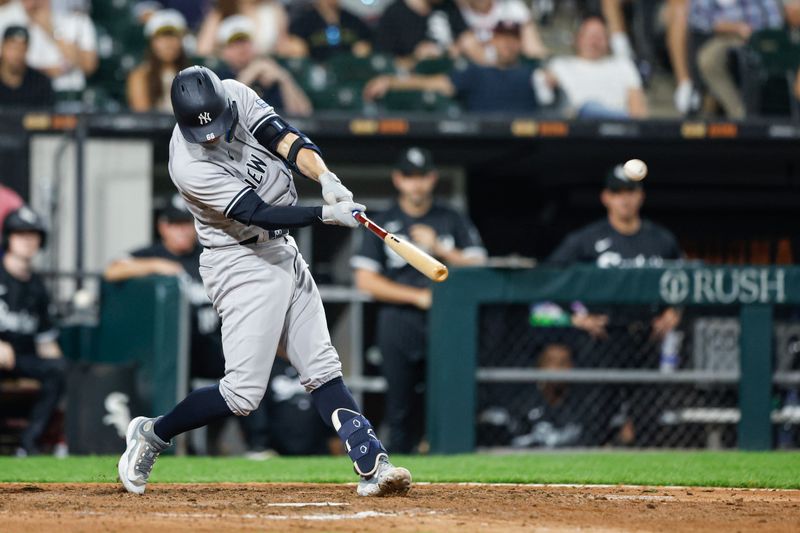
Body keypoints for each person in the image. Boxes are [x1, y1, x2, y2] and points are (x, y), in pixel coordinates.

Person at [117, 66, 411, 497]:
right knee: (241, 395)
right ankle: (153, 434)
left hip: (281, 249)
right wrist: (324, 214)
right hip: (239, 262)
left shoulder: (235, 93)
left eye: (217, 126)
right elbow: (257, 213)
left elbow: (283, 137)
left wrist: (325, 177)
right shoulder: (187, 164)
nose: (213, 137)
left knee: (321, 366)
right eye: (204, 133)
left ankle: (372, 461)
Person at [351, 147, 487, 454]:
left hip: (447, 319)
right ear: (398, 179)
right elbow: (365, 280)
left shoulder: (450, 218)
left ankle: (444, 461)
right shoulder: (384, 221)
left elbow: (479, 265)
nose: (417, 184)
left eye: (422, 176)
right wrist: (417, 297)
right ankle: (398, 459)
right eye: (410, 176)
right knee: (399, 399)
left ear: (433, 178)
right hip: (398, 318)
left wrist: (439, 247)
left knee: (444, 394)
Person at [363, 21, 543, 113]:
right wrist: (391, 82)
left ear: (520, 43)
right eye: (503, 37)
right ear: (493, 40)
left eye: (513, 38)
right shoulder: (477, 72)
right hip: (486, 142)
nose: (508, 44)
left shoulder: (532, 72)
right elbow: (437, 83)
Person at [0, 206, 65, 456]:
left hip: (21, 357)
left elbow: (46, 340)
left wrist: (62, 366)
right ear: (8, 237)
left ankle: (29, 444)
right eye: (20, 234)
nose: (27, 240)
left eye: (33, 234)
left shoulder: (37, 286)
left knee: (57, 370)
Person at [689, 0, 783, 119]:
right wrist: (734, 27)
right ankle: (739, 114)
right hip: (724, 37)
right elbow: (698, 19)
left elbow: (775, 19)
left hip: (761, 38)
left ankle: (782, 113)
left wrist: (757, 34)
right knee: (708, 60)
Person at [541, 16, 648, 119]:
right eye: (591, 36)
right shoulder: (560, 65)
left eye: (600, 37)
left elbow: (637, 108)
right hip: (578, 124)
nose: (595, 42)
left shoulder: (623, 66)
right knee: (589, 108)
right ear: (578, 38)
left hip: (618, 127)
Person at [215, 15, 313, 117]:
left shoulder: (269, 70)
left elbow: (304, 113)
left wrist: (283, 78)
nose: (242, 48)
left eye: (246, 42)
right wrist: (252, 72)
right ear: (223, 51)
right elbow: (225, 113)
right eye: (235, 44)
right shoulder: (219, 77)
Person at [0, 0, 97, 94]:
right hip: (18, 93)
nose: (34, 2)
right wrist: (43, 73)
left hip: (67, 94)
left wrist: (51, 31)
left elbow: (88, 66)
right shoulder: (4, 16)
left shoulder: (74, 18)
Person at [375, 0, 485, 67]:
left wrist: (458, 48)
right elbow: (383, 63)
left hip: (456, 74)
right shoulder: (394, 14)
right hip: (420, 85)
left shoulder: (448, 6)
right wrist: (415, 58)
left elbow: (467, 38)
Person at [127, 9, 190, 113]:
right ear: (151, 42)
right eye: (162, 37)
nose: (168, 43)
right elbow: (143, 116)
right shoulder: (140, 76)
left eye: (173, 36)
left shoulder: (191, 74)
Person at [285, 0, 373, 62]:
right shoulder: (303, 22)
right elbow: (294, 45)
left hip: (349, 72)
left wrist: (365, 46)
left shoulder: (352, 20)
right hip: (316, 77)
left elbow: (369, 39)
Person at [458, 0, 548, 60]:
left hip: (514, 64)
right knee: (468, 42)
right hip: (478, 70)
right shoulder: (454, 11)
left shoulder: (511, 6)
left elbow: (532, 47)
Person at [196, 0, 289, 57]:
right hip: (228, 75)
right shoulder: (219, 14)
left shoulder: (274, 10)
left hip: (264, 75)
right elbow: (203, 51)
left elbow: (283, 49)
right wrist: (230, 54)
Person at [0, 25, 53, 108]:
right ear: (2, 47)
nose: (16, 54)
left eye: (21, 49)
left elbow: (46, 116)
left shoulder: (40, 82)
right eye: (13, 48)